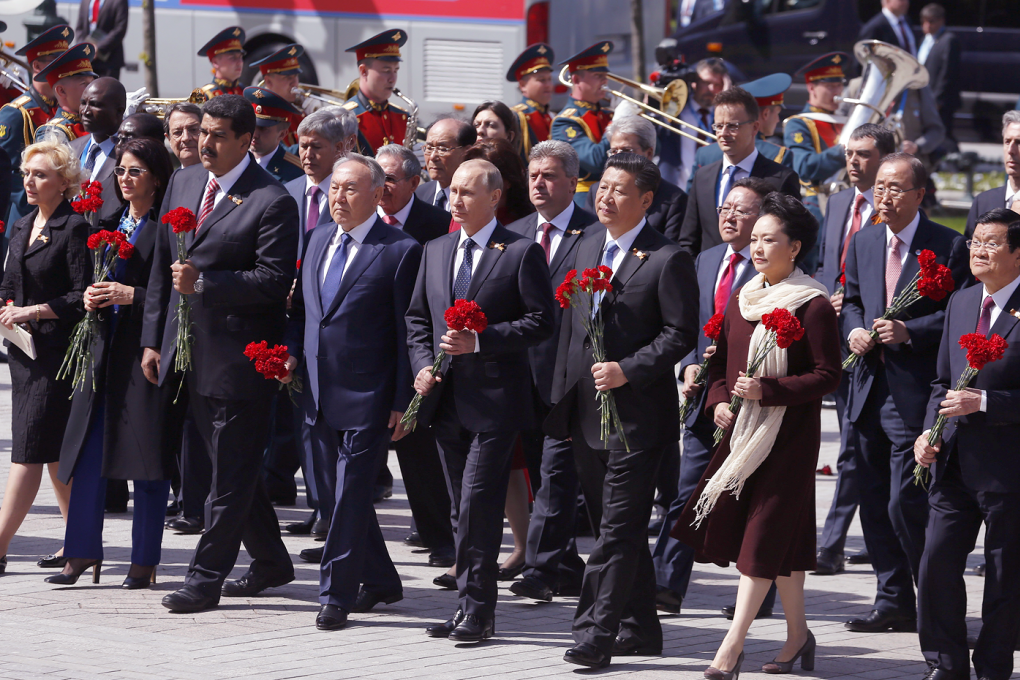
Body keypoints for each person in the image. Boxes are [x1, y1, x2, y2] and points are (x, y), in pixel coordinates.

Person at [141, 94, 299, 613]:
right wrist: (153, 339)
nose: (202, 143)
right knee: (227, 465)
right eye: (201, 132)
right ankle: (272, 562)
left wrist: (208, 282)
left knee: (225, 477)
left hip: (239, 359)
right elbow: (162, 267)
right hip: (185, 353)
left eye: (215, 136)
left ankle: (204, 578)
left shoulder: (271, 199)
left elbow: (274, 281)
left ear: (245, 141)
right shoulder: (185, 182)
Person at [673, 192, 840, 679]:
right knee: (780, 545)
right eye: (755, 239)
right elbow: (721, 363)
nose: (758, 248)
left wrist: (769, 388)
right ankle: (797, 637)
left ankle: (732, 646)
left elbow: (829, 375)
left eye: (770, 240)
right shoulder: (745, 297)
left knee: (763, 536)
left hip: (788, 437)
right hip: (741, 435)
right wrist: (719, 401)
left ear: (796, 247)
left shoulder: (811, 304)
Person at [545, 153, 698, 668]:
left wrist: (629, 369)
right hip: (587, 415)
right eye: (602, 187)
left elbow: (680, 333)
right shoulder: (587, 244)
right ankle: (641, 628)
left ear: (646, 200)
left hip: (637, 419)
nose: (605, 197)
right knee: (616, 524)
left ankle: (594, 631)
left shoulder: (665, 257)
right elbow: (569, 329)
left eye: (618, 190)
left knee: (615, 530)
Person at [407, 159, 554, 642]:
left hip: (494, 402)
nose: (456, 199)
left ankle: (480, 611)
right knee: (458, 506)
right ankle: (466, 606)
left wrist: (483, 339)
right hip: (444, 400)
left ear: (494, 197)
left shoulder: (519, 252)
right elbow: (416, 320)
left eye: (467, 192)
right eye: (452, 190)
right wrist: (423, 364)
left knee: (477, 503)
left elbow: (540, 321)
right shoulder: (434, 250)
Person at [283, 154, 421, 631]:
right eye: (334, 188)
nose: (337, 197)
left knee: (347, 499)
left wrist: (405, 401)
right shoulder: (319, 236)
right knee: (333, 495)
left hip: (370, 396)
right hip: (317, 393)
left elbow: (409, 333)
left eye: (349, 189)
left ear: (377, 194)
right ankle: (382, 580)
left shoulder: (400, 249)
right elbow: (303, 311)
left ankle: (335, 595)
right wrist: (290, 355)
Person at [841, 152, 968, 633]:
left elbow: (960, 313)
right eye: (879, 187)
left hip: (914, 391)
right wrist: (852, 329)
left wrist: (910, 332)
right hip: (866, 387)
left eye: (896, 188)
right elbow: (850, 299)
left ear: (919, 194)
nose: (885, 196)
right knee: (872, 501)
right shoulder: (865, 241)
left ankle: (932, 595)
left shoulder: (948, 245)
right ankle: (891, 597)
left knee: (904, 501)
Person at [48, 137, 177, 587]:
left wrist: (132, 296)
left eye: (135, 171)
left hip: (142, 351)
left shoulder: (166, 229)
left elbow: (175, 296)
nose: (124, 179)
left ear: (157, 178)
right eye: (121, 170)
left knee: (144, 456)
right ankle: (82, 551)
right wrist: (90, 294)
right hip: (102, 345)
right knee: (86, 448)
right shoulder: (109, 219)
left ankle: (144, 560)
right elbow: (93, 277)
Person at [651, 177, 776, 618]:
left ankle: (759, 595)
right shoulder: (703, 260)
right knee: (687, 492)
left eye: (741, 211)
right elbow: (684, 320)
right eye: (726, 208)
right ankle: (666, 584)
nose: (729, 216)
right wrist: (687, 363)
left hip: (750, 399)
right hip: (705, 399)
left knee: (753, 496)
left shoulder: (771, 269)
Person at [914, 208, 1020, 680]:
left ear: (1018, 253)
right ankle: (945, 661)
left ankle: (994, 664)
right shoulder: (961, 301)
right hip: (952, 461)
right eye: (976, 240)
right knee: (936, 561)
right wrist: (926, 433)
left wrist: (986, 402)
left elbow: (980, 393)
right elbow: (940, 381)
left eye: (993, 243)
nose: (979, 249)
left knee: (1003, 575)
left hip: (1007, 466)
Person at [507, 140, 597, 603]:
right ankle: (564, 564)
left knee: (557, 473)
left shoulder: (594, 234)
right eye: (533, 176)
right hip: (517, 375)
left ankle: (540, 568)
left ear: (571, 181)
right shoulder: (515, 231)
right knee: (538, 475)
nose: (538, 184)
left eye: (548, 176)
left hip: (569, 377)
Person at [0, 140, 89, 576]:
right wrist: (4, 309)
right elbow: (10, 283)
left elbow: (79, 295)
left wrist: (31, 311)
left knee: (28, 452)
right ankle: (81, 542)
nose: (29, 182)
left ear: (64, 182)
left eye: (40, 175)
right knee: (52, 452)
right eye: (26, 174)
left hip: (55, 354)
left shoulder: (75, 228)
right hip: (22, 352)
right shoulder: (22, 225)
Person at [813, 124, 896, 576]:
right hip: (835, 332)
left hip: (873, 343)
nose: (853, 162)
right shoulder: (839, 201)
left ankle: (833, 543)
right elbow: (828, 264)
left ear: (886, 158)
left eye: (863, 154)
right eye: (849, 154)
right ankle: (860, 534)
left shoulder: (895, 209)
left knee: (855, 446)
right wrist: (829, 298)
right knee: (852, 444)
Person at [374, 143, 455, 569]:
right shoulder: (365, 219)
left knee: (419, 447)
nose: (382, 187)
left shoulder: (438, 225)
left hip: (421, 347)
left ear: (413, 183)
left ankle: (441, 535)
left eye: (390, 179)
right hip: (373, 347)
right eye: (378, 178)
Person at [283, 106, 358, 558]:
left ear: (343, 148)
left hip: (340, 330)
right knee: (305, 423)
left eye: (316, 147)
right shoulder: (289, 192)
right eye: (302, 145)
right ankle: (320, 504)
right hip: (296, 324)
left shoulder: (356, 197)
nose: (305, 154)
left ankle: (337, 513)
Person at [678, 87, 800, 255]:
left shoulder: (780, 179)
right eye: (718, 126)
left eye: (733, 126)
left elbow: (791, 239)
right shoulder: (703, 177)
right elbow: (689, 239)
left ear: (755, 127)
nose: (723, 133)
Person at [784, 52, 849, 256]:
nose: (837, 91)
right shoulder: (800, 123)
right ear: (811, 87)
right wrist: (844, 151)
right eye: (830, 86)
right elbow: (804, 166)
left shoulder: (845, 121)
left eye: (839, 85)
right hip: (819, 209)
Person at [1, 25, 68, 223]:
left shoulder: (61, 108)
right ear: (37, 67)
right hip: (25, 217)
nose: (67, 71)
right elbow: (7, 177)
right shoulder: (14, 113)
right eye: (59, 64)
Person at [584, 115, 687, 241]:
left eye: (627, 150)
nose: (619, 157)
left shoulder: (673, 198)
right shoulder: (596, 191)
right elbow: (588, 237)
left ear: (649, 153)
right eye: (614, 151)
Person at [688, 73, 795, 181]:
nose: (777, 119)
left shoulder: (704, 153)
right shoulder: (778, 154)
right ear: (766, 114)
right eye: (719, 126)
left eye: (732, 126)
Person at [551, 42, 614, 207]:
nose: (604, 81)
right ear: (576, 79)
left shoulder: (607, 114)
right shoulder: (565, 121)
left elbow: (651, 149)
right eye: (598, 76)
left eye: (604, 76)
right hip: (586, 201)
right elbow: (594, 161)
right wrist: (619, 125)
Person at [659, 57, 727, 190]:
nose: (711, 89)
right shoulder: (676, 109)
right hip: (676, 189)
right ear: (694, 83)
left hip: (712, 190)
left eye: (717, 84)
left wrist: (728, 96)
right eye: (705, 82)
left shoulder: (724, 115)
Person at [342, 30, 412, 155]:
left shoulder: (402, 116)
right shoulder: (346, 118)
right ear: (363, 71)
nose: (392, 78)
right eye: (386, 70)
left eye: (396, 70)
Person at [70, 77, 127, 227]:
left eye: (95, 105)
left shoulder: (128, 155)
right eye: (83, 103)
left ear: (119, 111)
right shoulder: (70, 149)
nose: (86, 111)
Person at [964, 111, 1019, 239]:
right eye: (1007, 141)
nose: (1011, 150)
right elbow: (968, 252)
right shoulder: (982, 202)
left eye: (1019, 142)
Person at [33, 44, 97, 143]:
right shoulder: (54, 133)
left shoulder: (98, 125)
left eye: (92, 82)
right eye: (84, 84)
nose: (91, 88)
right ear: (61, 91)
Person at [463, 138, 533, 226]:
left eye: (482, 176)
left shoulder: (526, 224)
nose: (472, 181)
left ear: (508, 181)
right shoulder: (462, 215)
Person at [918, 3, 961, 146]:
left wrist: (938, 100)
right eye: (924, 21)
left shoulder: (948, 40)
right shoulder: (924, 40)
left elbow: (947, 73)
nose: (927, 25)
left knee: (943, 132)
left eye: (931, 21)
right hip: (926, 96)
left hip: (941, 100)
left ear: (941, 20)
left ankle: (949, 161)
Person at [243, 86, 304, 184]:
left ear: (282, 134)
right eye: (253, 125)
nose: (254, 134)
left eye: (263, 129)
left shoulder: (296, 173)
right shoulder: (235, 159)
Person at [414, 117, 476, 212]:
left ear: (467, 151)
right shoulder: (419, 194)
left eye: (443, 149)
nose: (432, 157)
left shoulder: (478, 199)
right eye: (429, 148)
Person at [251, 43, 306, 150]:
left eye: (296, 76)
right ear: (268, 81)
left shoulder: (296, 111)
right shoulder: (262, 112)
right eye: (287, 77)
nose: (294, 83)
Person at [507, 44, 555, 158]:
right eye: (542, 80)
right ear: (523, 85)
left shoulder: (550, 115)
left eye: (549, 79)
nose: (548, 85)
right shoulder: (517, 116)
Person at [75, 0, 128, 79]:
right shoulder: (85, 1)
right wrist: (84, 47)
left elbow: (120, 29)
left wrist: (98, 48)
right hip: (87, 60)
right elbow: (80, 28)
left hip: (109, 60)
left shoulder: (119, 1)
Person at [197, 27, 246, 100]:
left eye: (240, 57)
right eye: (232, 58)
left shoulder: (243, 91)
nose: (240, 62)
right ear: (215, 62)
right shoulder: (205, 95)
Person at [163, 102, 202, 168]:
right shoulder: (173, 177)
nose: (186, 138)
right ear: (169, 139)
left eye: (193, 130)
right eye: (178, 132)